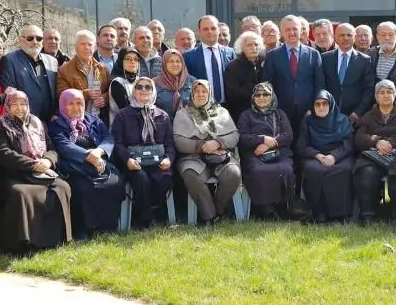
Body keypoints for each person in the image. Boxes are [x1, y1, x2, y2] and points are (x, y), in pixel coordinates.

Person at [0, 88, 73, 252]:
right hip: (16, 174)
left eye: (23, 104)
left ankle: (56, 239)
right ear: (7, 106)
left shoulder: (38, 123)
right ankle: (24, 244)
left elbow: (52, 148)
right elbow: (2, 153)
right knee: (21, 193)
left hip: (42, 172)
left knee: (62, 187)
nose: (20, 108)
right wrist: (33, 164)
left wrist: (48, 161)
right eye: (14, 104)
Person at [49, 89, 123, 240]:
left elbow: (108, 138)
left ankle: (107, 227)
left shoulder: (93, 120)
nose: (76, 107)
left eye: (79, 103)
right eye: (71, 104)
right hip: (75, 167)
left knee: (114, 182)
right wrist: (87, 156)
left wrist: (99, 151)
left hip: (99, 162)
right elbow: (63, 146)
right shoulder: (57, 125)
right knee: (82, 188)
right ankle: (83, 229)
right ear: (63, 105)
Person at [110, 77, 176, 229]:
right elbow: (117, 143)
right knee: (141, 179)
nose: (144, 90)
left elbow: (170, 144)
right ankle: (146, 218)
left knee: (164, 179)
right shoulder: (122, 116)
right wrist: (127, 159)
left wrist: (169, 159)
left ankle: (152, 212)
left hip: (157, 161)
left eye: (148, 87)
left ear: (153, 91)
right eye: (139, 87)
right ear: (134, 91)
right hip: (133, 162)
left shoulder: (162, 115)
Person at [173, 80, 241, 225]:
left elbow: (234, 136)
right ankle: (209, 217)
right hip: (193, 157)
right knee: (190, 174)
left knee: (233, 174)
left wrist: (217, 143)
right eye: (197, 91)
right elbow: (179, 141)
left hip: (221, 156)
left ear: (210, 93)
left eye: (204, 91)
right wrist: (202, 145)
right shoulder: (182, 114)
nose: (200, 94)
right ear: (191, 94)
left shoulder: (222, 112)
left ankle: (218, 211)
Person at [352, 80, 396, 226]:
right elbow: (359, 137)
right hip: (374, 155)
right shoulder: (369, 115)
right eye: (381, 92)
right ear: (376, 96)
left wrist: (392, 142)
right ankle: (367, 216)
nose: (386, 95)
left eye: (389, 91)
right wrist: (377, 141)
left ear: (395, 94)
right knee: (366, 173)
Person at [236, 82, 295, 219]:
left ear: (272, 96)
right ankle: (264, 208)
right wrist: (261, 139)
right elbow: (242, 137)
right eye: (258, 94)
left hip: (279, 152)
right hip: (254, 154)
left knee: (285, 169)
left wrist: (269, 144)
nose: (261, 97)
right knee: (258, 171)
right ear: (253, 97)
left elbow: (288, 135)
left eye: (266, 94)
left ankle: (281, 206)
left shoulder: (280, 114)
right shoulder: (246, 115)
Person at [297, 90, 355, 223]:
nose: (321, 107)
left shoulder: (343, 120)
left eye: (324, 103)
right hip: (315, 155)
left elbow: (349, 144)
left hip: (340, 155)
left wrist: (333, 157)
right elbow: (301, 146)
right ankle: (319, 213)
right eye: (318, 104)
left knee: (343, 169)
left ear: (331, 105)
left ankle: (340, 214)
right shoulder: (307, 122)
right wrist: (317, 155)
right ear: (313, 106)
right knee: (314, 170)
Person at [262, 14, 324, 134]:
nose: (292, 33)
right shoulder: (273, 56)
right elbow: (268, 84)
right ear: (282, 32)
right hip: (281, 111)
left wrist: (314, 108)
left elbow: (319, 84)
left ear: (301, 31)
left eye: (295, 29)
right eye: (288, 29)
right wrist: (274, 108)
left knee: (305, 146)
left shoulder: (314, 54)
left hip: (308, 111)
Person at [0, 25, 59, 123]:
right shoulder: (9, 60)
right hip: (24, 122)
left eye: (39, 38)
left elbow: (58, 89)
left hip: (50, 122)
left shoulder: (52, 61)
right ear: (20, 40)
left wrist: (56, 114)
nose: (35, 42)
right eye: (30, 38)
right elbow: (10, 92)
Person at [321, 23, 375, 123]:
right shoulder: (325, 58)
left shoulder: (365, 60)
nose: (345, 38)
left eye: (349, 35)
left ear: (354, 37)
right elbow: (321, 85)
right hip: (329, 113)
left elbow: (369, 89)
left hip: (354, 116)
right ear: (335, 38)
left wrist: (358, 112)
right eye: (342, 35)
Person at [56, 30, 110, 121]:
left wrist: (105, 98)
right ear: (76, 47)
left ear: (95, 47)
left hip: (99, 120)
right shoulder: (64, 70)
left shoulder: (103, 69)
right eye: (83, 44)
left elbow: (109, 91)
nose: (86, 47)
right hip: (74, 120)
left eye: (90, 45)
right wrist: (85, 93)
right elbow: (62, 95)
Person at [183, 15, 235, 105]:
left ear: (218, 30)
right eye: (205, 29)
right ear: (199, 31)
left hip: (228, 108)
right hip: (201, 108)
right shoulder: (189, 56)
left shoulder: (230, 53)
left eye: (213, 28)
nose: (210, 32)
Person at [225, 31, 266, 125]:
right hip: (242, 114)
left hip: (264, 113)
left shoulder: (265, 61)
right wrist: (253, 87)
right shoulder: (233, 66)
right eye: (249, 45)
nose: (254, 48)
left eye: (256, 44)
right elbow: (232, 93)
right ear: (242, 47)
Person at [155, 48, 195, 117]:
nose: (175, 64)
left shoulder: (192, 81)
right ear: (164, 63)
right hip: (164, 125)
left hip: (189, 125)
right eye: (170, 61)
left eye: (178, 61)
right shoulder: (155, 83)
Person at [107, 46, 144, 122]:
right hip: (122, 128)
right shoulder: (117, 82)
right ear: (121, 61)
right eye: (128, 59)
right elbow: (127, 110)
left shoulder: (140, 81)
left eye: (136, 59)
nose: (133, 62)